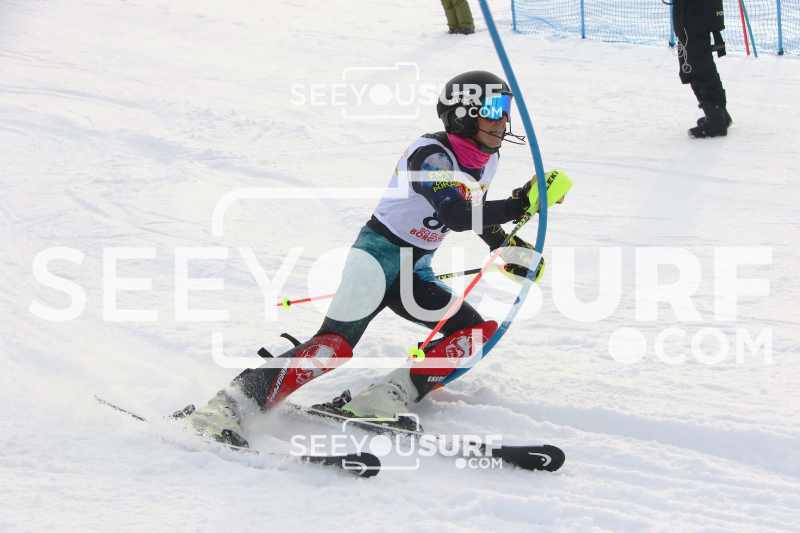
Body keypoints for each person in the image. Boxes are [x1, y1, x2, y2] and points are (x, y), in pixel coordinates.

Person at [175, 71, 562, 447]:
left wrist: (506, 246)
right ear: (462, 115)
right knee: (332, 346)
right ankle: (225, 407)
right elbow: (455, 214)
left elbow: (474, 209)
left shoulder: (487, 158)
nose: (503, 120)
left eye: (506, 109)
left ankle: (383, 398)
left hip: (415, 272)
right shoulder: (429, 156)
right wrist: (518, 204)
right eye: (493, 109)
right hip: (376, 259)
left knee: (473, 333)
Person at [672, 0, 732, 138]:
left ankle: (716, 119)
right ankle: (719, 113)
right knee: (696, 63)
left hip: (694, 14)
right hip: (698, 13)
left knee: (697, 65)